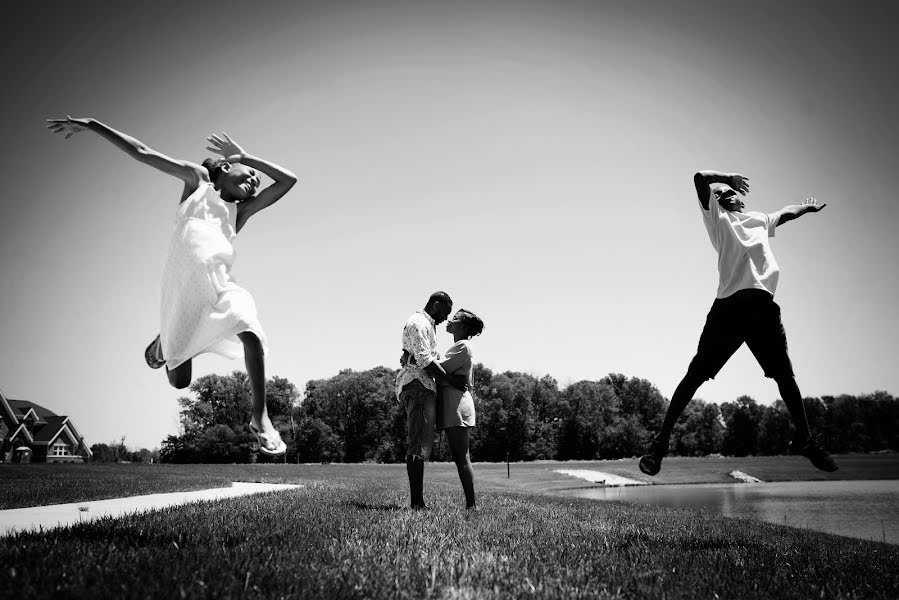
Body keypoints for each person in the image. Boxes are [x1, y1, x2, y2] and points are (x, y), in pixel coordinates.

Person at [47, 116, 296, 456]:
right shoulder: (198, 182)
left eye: (255, 178)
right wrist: (92, 125)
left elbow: (288, 180)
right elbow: (142, 151)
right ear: (223, 168)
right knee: (181, 382)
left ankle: (261, 417)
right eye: (249, 174)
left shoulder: (242, 211)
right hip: (181, 292)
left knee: (251, 329)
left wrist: (247, 156)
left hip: (222, 287)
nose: (254, 180)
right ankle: (166, 341)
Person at [639, 170, 838, 476]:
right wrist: (727, 178)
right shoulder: (718, 221)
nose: (724, 195)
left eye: (728, 192)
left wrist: (805, 208)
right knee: (695, 376)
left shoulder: (759, 220)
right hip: (728, 309)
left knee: (786, 377)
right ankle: (659, 445)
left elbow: (785, 213)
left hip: (762, 308)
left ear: (741, 199)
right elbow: (699, 178)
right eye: (718, 195)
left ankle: (806, 441)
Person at [396, 292, 467, 509]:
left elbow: (414, 356)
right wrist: (451, 380)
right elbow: (426, 361)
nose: (446, 318)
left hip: (424, 385)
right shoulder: (418, 323)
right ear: (436, 305)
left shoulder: (427, 325)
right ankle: (417, 503)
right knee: (418, 443)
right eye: (445, 312)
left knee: (422, 444)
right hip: (417, 385)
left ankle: (418, 501)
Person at [435, 309, 484, 510]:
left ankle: (471, 505)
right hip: (451, 402)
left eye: (454, 319)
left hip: (456, 404)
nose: (449, 320)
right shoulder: (457, 346)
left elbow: (437, 368)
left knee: (461, 457)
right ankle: (470, 504)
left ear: (462, 326)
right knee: (459, 456)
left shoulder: (463, 346)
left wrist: (417, 360)